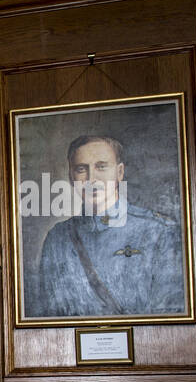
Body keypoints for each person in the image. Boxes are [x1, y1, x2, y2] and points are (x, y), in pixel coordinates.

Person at [34, 135, 185, 319]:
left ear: (119, 173)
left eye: (101, 167)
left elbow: (171, 317)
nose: (92, 178)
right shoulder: (56, 239)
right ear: (71, 177)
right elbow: (47, 318)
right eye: (81, 169)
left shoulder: (159, 231)